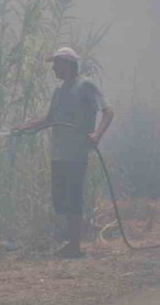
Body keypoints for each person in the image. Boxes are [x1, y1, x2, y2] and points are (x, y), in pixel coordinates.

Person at [14, 47, 114, 258]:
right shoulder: (59, 92)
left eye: (56, 64)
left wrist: (96, 135)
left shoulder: (85, 86)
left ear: (67, 65)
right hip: (59, 153)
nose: (53, 69)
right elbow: (50, 119)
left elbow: (108, 112)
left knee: (73, 197)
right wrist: (25, 127)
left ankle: (74, 246)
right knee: (60, 199)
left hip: (77, 153)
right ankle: (70, 240)